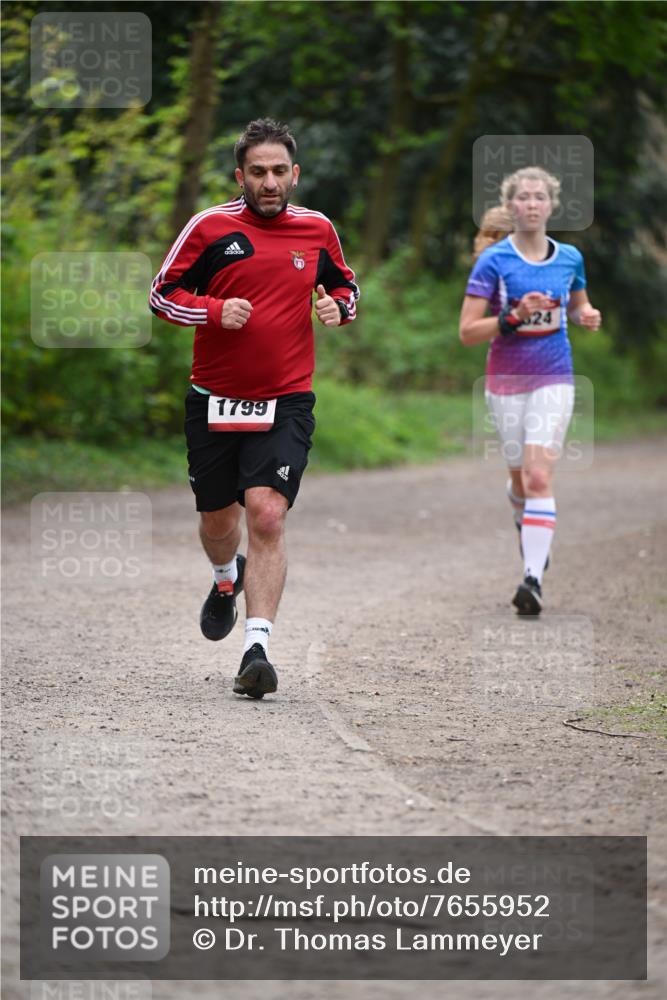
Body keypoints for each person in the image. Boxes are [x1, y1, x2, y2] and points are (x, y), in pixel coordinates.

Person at [150, 118, 359, 696]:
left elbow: (346, 286)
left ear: (295, 174)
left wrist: (340, 309)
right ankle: (225, 579)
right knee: (219, 521)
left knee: (266, 513)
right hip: (213, 400)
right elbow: (161, 295)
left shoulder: (316, 229)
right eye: (258, 172)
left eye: (279, 172)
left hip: (287, 399)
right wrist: (215, 312)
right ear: (240, 175)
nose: (269, 182)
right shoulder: (210, 227)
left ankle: (256, 648)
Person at [459, 167, 601, 614]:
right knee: (521, 480)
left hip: (555, 377)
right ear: (512, 205)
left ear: (552, 205)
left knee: (540, 476)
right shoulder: (494, 262)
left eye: (541, 197)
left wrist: (587, 316)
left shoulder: (570, 258)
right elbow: (467, 331)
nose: (533, 204)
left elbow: (577, 306)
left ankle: (532, 578)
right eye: (524, 197)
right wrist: (513, 316)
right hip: (506, 381)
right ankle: (529, 525)